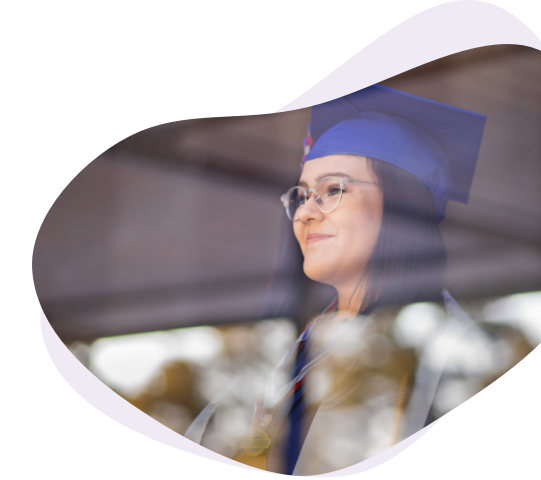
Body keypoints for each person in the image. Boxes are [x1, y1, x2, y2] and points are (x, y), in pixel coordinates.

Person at [186, 84, 487, 474]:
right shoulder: (292, 341)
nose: (305, 213)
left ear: (400, 204)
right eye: (302, 195)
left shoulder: (447, 345)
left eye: (332, 189)